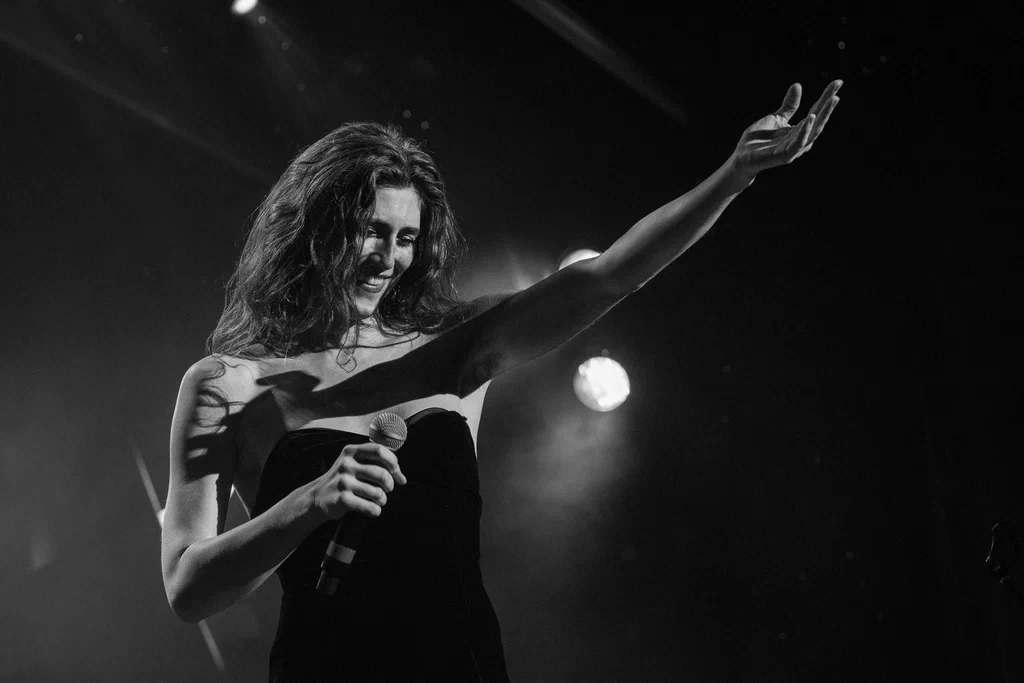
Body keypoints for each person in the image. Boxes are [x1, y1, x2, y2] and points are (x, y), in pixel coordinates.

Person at [161, 80, 842, 681]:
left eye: (406, 239)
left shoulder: (456, 346)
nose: (389, 259)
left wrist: (733, 175)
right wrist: (308, 501)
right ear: (313, 230)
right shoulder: (229, 383)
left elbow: (610, 276)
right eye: (370, 233)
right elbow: (188, 586)